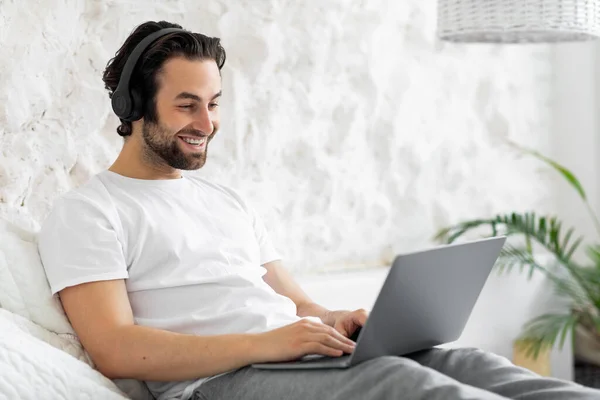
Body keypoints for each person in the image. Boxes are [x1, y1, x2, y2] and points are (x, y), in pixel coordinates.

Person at [37, 20, 600, 400]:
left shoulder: (223, 200)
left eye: (213, 104)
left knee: (481, 367)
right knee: (412, 386)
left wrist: (334, 320)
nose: (207, 125)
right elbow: (114, 348)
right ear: (133, 107)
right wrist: (268, 343)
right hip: (221, 382)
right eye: (186, 105)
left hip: (291, 356)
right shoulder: (90, 211)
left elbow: (297, 301)